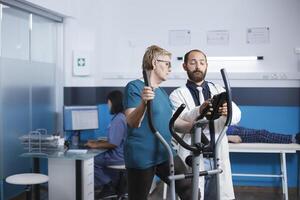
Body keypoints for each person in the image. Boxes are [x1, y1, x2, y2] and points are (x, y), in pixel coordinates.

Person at [124, 45, 195, 200]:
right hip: (142, 157)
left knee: (190, 189)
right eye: (167, 63)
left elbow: (172, 122)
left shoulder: (162, 93)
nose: (170, 68)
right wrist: (143, 102)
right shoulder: (134, 87)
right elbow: (131, 121)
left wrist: (193, 126)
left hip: (165, 153)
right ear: (154, 63)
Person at [169, 49, 241, 200]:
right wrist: (199, 110)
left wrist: (228, 112)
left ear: (206, 65)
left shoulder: (219, 90)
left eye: (202, 62)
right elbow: (179, 121)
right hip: (193, 155)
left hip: (217, 155)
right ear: (184, 66)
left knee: (218, 196)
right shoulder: (177, 94)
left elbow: (237, 115)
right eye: (193, 62)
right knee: (195, 195)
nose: (197, 66)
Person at [85, 90, 127, 198]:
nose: (108, 105)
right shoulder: (122, 116)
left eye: (108, 103)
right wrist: (99, 142)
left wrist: (95, 145)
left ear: (113, 103)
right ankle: (111, 184)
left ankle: (108, 185)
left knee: (91, 161)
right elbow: (117, 139)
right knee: (96, 159)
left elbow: (114, 143)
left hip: (117, 157)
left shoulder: (118, 119)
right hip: (124, 155)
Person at [227, 125, 300, 144]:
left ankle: (293, 138)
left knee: (262, 133)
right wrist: (228, 138)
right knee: (261, 134)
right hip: (232, 134)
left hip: (232, 128)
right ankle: (293, 138)